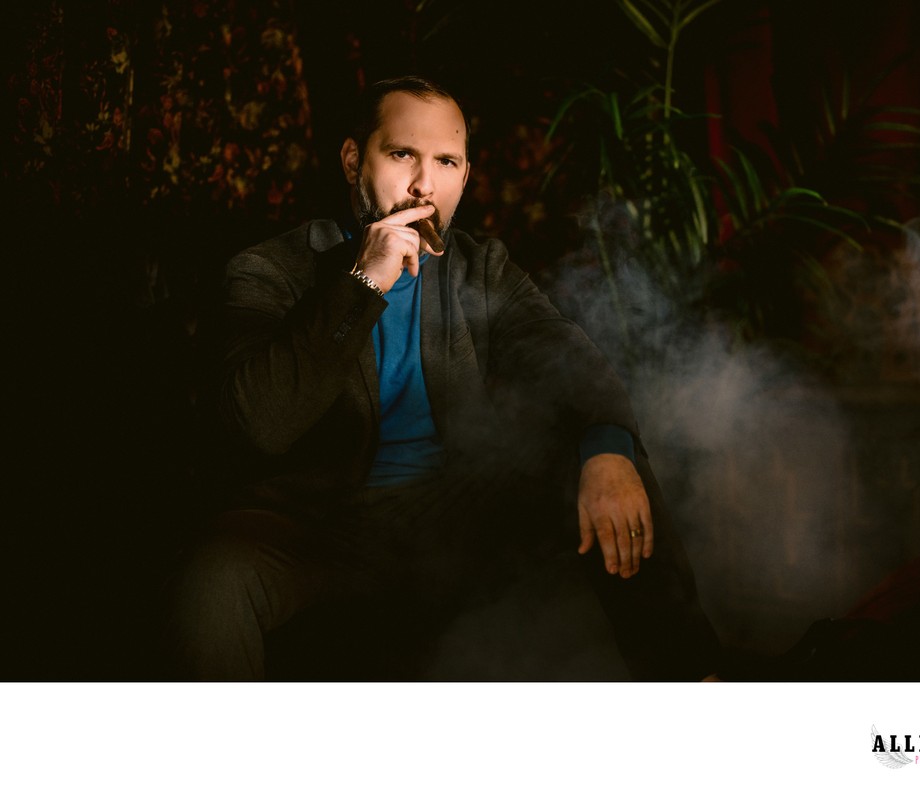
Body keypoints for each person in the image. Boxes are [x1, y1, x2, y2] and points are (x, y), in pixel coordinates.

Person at [166, 76, 719, 680]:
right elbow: (259, 425)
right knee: (214, 582)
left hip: (453, 513)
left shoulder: (481, 269)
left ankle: (698, 685)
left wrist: (608, 450)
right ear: (355, 160)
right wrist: (363, 283)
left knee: (610, 464)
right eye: (402, 154)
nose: (424, 183)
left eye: (445, 161)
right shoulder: (269, 271)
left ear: (465, 176)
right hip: (315, 520)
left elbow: (567, 358)